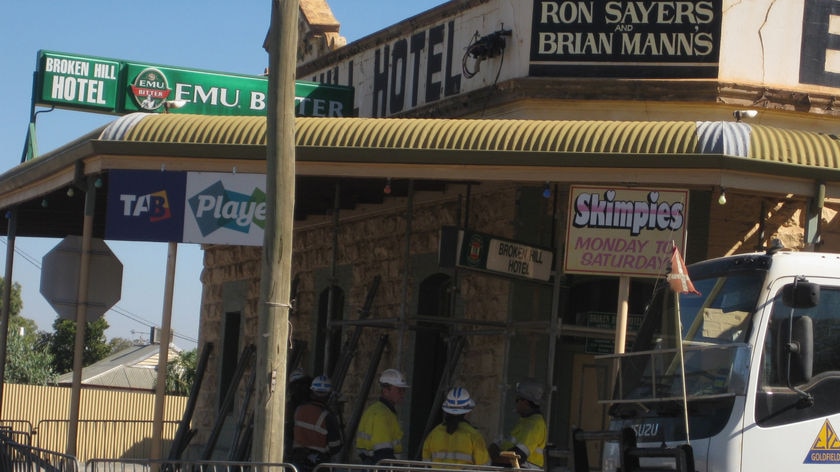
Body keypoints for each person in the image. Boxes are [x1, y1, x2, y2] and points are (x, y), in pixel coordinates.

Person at [422, 387, 490, 465]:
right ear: (467, 412)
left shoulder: (434, 434)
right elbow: (484, 464)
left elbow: (426, 461)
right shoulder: (473, 435)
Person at [488, 378, 547, 469]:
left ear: (525, 402)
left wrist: (495, 455)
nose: (515, 403)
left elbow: (517, 456)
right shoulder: (525, 421)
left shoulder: (534, 424)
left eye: (517, 399)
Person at [355, 368, 410, 464]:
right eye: (399, 390)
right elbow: (383, 454)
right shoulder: (382, 415)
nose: (402, 394)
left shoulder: (380, 410)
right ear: (385, 391)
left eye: (403, 390)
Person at [290, 375, 344, 472]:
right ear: (329, 394)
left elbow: (290, 433)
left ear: (312, 392)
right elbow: (335, 446)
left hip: (297, 460)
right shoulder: (327, 416)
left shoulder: (299, 410)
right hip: (318, 463)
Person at [284, 368, 313, 460]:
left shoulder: (311, 404)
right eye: (298, 385)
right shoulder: (291, 405)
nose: (301, 388)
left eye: (304, 384)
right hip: (296, 444)